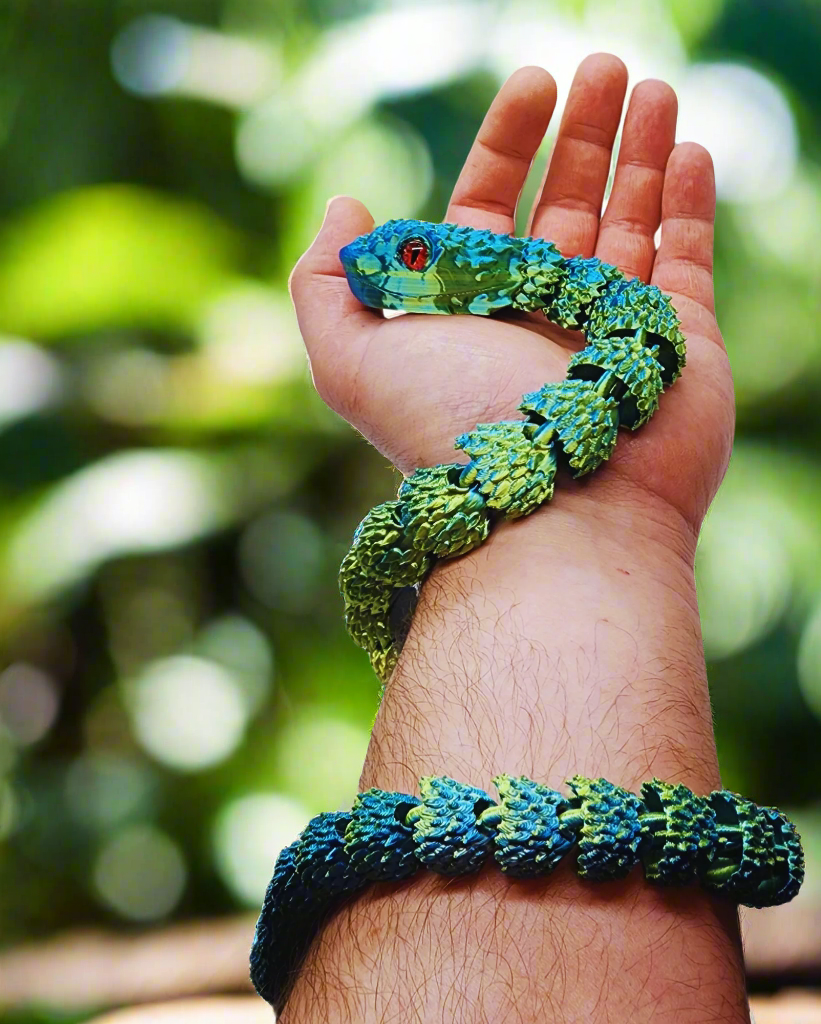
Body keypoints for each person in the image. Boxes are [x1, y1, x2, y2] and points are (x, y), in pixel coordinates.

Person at [284, 52, 747, 1023]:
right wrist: (576, 530)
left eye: (414, 259)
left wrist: (597, 519)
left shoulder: (593, 311)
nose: (380, 267)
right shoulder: (538, 314)